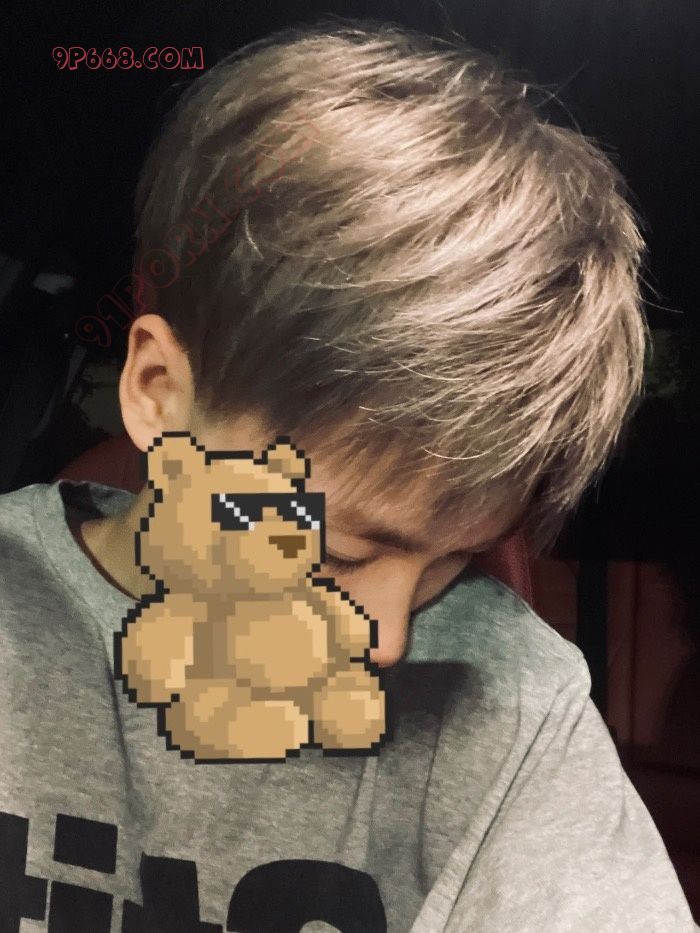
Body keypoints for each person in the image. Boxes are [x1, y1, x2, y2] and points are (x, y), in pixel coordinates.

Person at [1, 16, 697, 932]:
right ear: (160, 393)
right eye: (336, 550)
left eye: (451, 561)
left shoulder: (513, 705)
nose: (389, 641)